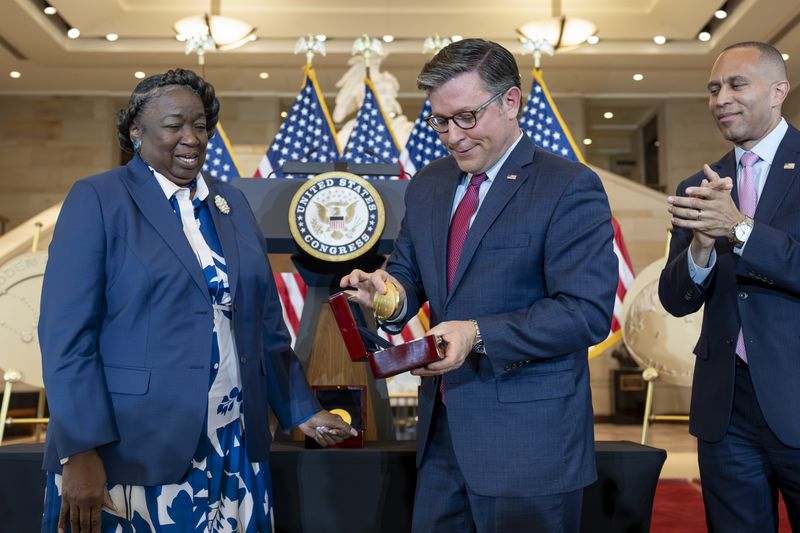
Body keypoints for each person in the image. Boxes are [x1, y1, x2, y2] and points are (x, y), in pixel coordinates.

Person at [39, 68, 356, 533]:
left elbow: (265, 325)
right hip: (130, 447)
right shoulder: (99, 198)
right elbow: (67, 334)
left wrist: (302, 410)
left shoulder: (231, 203)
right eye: (174, 126)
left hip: (231, 441)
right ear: (135, 131)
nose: (191, 138)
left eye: (201, 125)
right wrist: (80, 449)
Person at [340, 39, 618, 533]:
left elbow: (585, 313)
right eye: (440, 121)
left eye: (466, 117)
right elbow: (408, 278)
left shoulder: (569, 186)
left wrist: (476, 333)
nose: (452, 136)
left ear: (510, 102)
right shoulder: (428, 184)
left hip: (529, 448)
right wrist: (382, 293)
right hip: (441, 440)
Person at [659, 41, 800, 531]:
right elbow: (675, 300)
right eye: (713, 89)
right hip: (725, 408)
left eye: (737, 85)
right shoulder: (700, 184)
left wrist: (739, 229)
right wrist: (698, 247)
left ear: (779, 90)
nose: (721, 99)